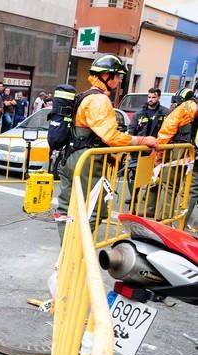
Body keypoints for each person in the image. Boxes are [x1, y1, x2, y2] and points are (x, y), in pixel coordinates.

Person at [55, 54, 158, 242]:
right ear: (106, 75)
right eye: (117, 76)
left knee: (66, 206)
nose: (119, 81)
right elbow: (110, 136)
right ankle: (77, 248)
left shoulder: (83, 96)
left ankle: (67, 250)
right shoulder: (99, 100)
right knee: (96, 209)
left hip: (69, 157)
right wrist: (144, 140)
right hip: (87, 161)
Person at [156, 88, 198, 227]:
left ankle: (164, 221)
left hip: (182, 150)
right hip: (193, 153)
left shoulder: (187, 107)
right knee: (191, 190)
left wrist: (160, 152)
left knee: (169, 186)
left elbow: (168, 128)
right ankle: (180, 224)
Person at [125, 87, 169, 204]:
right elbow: (131, 130)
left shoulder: (165, 113)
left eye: (153, 97)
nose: (150, 99)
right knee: (134, 174)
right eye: (149, 97)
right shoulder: (139, 114)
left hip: (156, 150)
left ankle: (148, 199)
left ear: (159, 98)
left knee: (154, 175)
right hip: (139, 150)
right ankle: (133, 195)